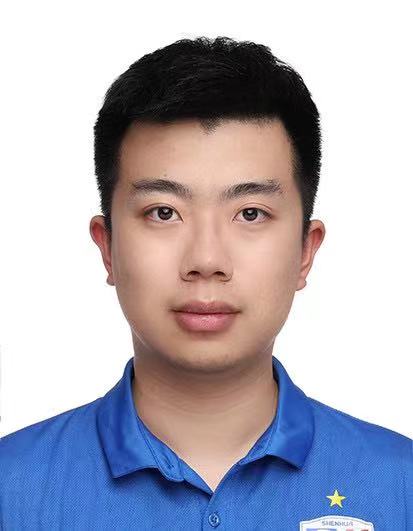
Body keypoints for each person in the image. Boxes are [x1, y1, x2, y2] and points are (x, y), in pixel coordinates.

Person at [0, 35, 411, 530]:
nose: (207, 260)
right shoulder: (12, 489)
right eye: (164, 212)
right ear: (107, 246)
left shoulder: (400, 486)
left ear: (306, 250)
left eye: (250, 213)